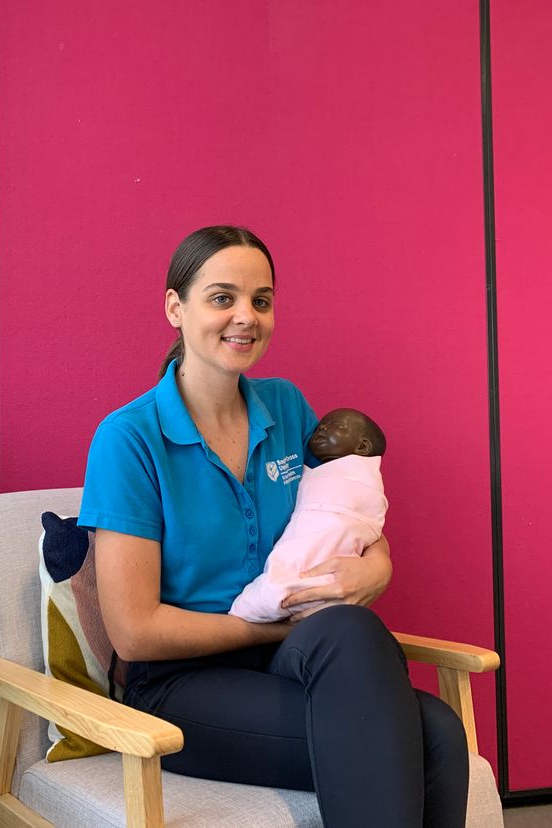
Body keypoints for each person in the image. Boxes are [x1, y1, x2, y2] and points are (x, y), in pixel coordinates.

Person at [78, 226, 468, 827]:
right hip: (180, 687)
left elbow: (348, 513)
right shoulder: (128, 439)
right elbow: (134, 634)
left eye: (261, 300)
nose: (246, 316)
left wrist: (378, 567)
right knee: (434, 732)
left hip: (291, 662)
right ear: (174, 308)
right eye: (222, 297)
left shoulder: (286, 407)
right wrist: (274, 624)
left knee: (360, 640)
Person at [229, 407, 388, 622]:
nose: (322, 428)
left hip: (322, 600)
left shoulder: (284, 403)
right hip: (223, 632)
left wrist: (379, 565)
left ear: (362, 446)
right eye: (322, 425)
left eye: (336, 427)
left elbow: (358, 520)